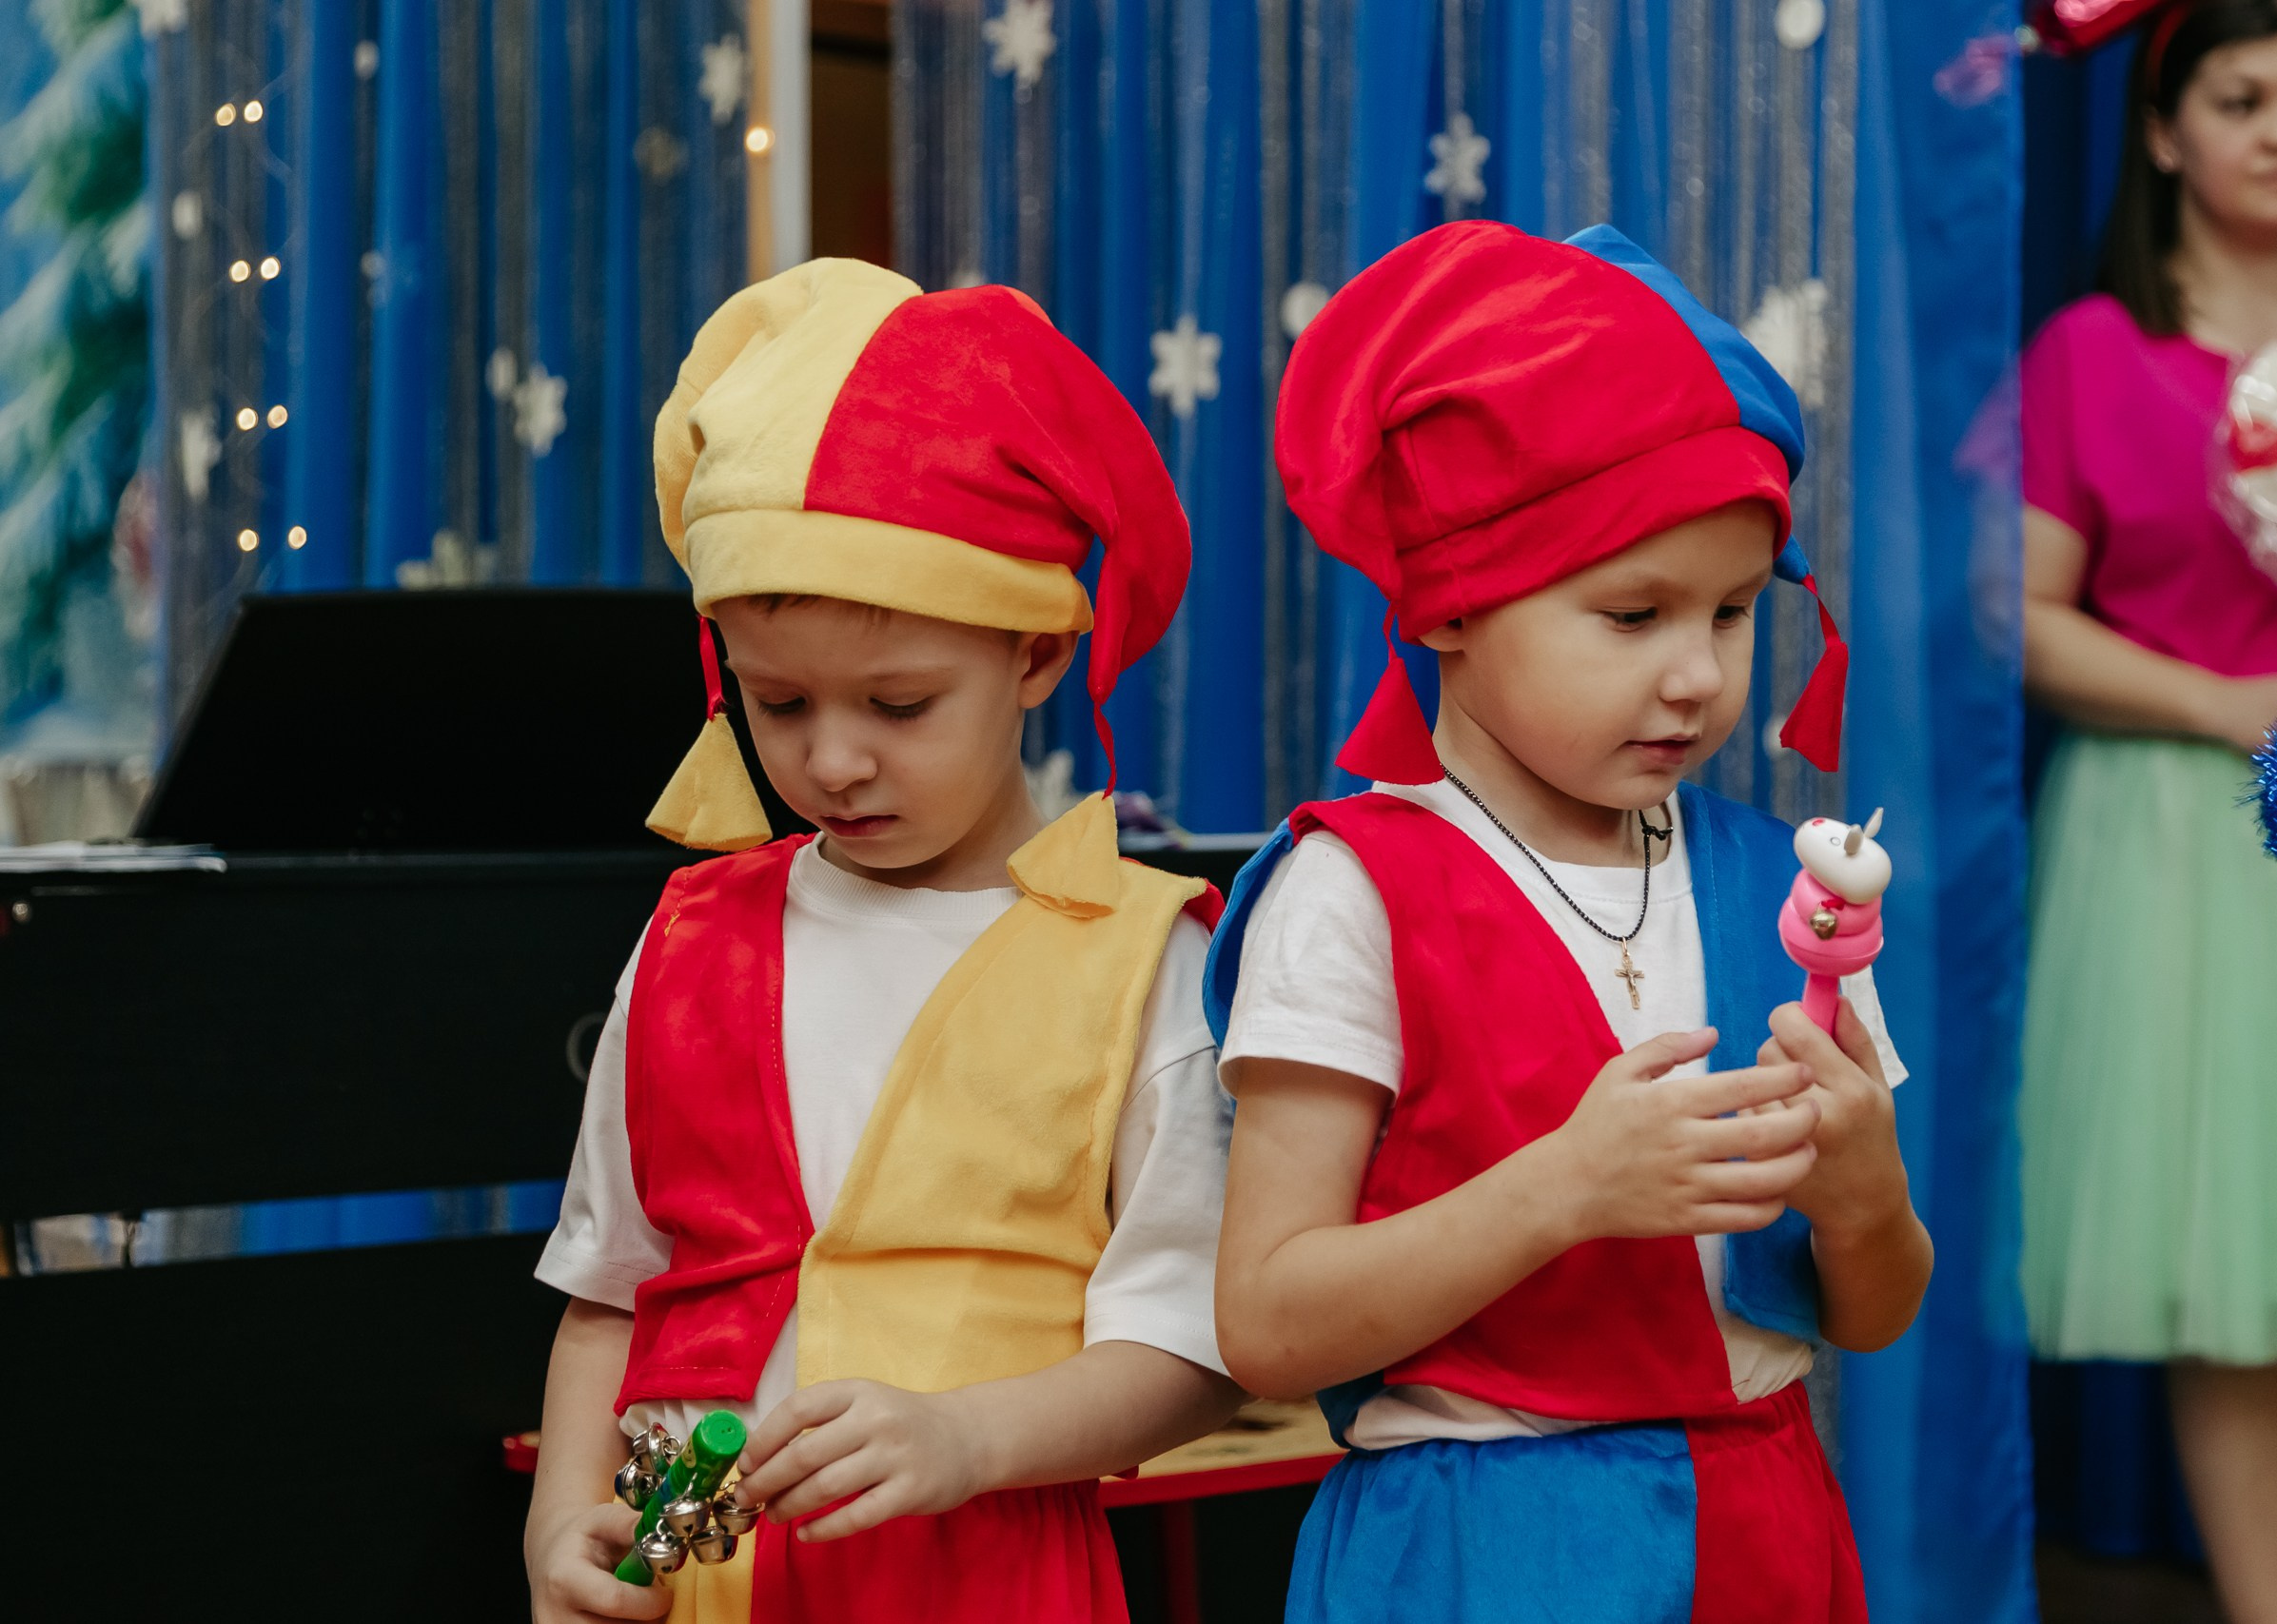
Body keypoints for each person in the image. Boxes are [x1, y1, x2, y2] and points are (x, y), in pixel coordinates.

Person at [1207, 220, 1933, 1623]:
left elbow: (1874, 1310)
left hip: (1766, 1529)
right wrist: (1564, 1191)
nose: (1694, 678)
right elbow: (1267, 1326)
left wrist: (1863, 1198)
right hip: (1479, 1547)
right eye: (1631, 613)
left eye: (1729, 615)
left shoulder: (1786, 883)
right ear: (1452, 605)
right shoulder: (1355, 894)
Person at [521, 259, 1241, 1624]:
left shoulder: (1143, 964)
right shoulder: (687, 941)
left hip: (986, 1581)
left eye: (900, 704)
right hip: (694, 1592)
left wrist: (967, 1441)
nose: (833, 759)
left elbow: (1195, 1354)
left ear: (1036, 655)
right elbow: (610, 1295)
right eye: (778, 703)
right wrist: (561, 1521)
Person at [2015, 3, 2277, 1619]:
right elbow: (2032, 616)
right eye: (2243, 97)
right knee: (2234, 1289)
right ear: (2163, 130)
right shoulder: (2091, 355)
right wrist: (2226, 706)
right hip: (2188, 842)